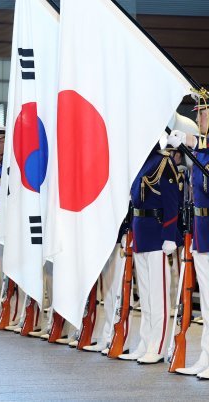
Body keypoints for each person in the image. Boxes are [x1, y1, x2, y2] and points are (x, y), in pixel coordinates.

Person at [119, 140, 179, 364]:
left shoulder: (164, 162)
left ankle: (159, 344)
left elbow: (173, 202)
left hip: (157, 234)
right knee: (144, 295)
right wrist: (129, 231)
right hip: (141, 233)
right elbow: (133, 202)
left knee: (158, 295)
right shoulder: (139, 162)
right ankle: (145, 341)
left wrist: (169, 236)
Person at [168, 95, 209, 377]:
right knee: (206, 303)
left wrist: (193, 143)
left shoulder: (204, 149)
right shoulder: (203, 152)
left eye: (203, 114)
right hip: (202, 231)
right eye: (198, 114)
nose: (198, 119)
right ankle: (205, 358)